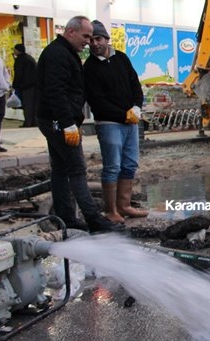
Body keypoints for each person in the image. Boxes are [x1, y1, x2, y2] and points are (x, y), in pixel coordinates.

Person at [36, 16, 124, 234]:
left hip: (54, 119)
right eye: (85, 36)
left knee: (60, 169)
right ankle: (94, 220)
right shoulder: (58, 55)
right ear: (71, 32)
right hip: (58, 120)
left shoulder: (65, 53)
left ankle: (66, 218)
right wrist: (67, 123)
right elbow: (55, 91)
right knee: (76, 169)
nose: (88, 41)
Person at [84, 20, 149, 222]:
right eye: (91, 40)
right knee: (113, 166)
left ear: (106, 39)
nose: (94, 44)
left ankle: (125, 205)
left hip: (130, 121)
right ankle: (111, 211)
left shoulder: (121, 58)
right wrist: (123, 115)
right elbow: (97, 101)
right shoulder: (89, 68)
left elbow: (135, 85)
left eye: (98, 39)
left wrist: (137, 107)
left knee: (129, 164)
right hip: (109, 123)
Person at [12, 43, 38, 127]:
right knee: (33, 105)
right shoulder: (30, 58)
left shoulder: (20, 60)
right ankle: (34, 121)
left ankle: (28, 122)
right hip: (34, 85)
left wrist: (15, 85)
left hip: (26, 86)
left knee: (27, 105)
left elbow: (19, 74)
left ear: (17, 50)